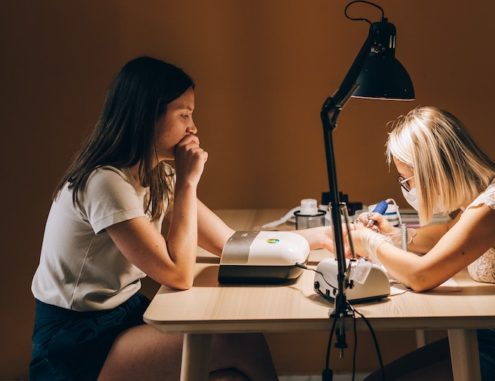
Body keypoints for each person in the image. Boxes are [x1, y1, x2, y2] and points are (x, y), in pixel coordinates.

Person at [29, 56, 331, 381]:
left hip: (123, 317)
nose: (193, 127)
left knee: (231, 377)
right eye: (184, 114)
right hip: (76, 341)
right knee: (241, 340)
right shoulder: (106, 183)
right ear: (147, 117)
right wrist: (188, 182)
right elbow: (178, 275)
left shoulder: (156, 175)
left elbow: (228, 242)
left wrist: (320, 237)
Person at [348, 106, 495, 381]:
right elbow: (447, 233)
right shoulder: (493, 190)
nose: (406, 188)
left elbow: (421, 276)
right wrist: (395, 235)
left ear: (433, 171)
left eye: (407, 179)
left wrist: (369, 242)